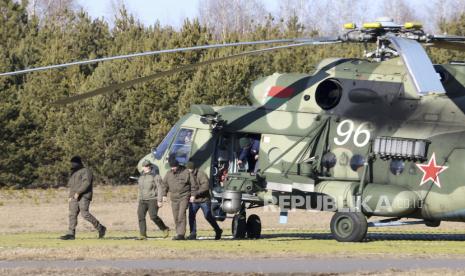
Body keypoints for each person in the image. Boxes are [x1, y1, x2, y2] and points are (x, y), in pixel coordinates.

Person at [60, 156, 106, 240]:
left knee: (84, 214)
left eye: (74, 162)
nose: (72, 164)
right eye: (71, 162)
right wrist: (70, 196)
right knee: (72, 214)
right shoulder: (73, 172)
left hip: (84, 196)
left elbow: (86, 183)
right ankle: (71, 234)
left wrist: (78, 192)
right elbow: (72, 186)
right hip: (74, 197)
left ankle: (100, 228)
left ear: (78, 163)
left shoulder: (86, 171)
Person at [162, 155, 197, 240]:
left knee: (181, 214)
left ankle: (181, 234)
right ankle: (178, 233)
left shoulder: (186, 172)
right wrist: (164, 195)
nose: (173, 168)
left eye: (174, 167)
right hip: (174, 198)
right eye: (171, 167)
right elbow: (164, 185)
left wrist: (193, 195)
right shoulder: (168, 174)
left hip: (184, 196)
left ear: (178, 166)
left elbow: (193, 185)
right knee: (176, 216)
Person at [186, 161, 222, 240]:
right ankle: (193, 233)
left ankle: (218, 230)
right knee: (191, 216)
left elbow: (205, 187)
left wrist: (194, 194)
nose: (188, 170)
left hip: (204, 200)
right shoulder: (187, 175)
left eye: (189, 169)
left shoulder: (201, 174)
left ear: (192, 168)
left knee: (208, 216)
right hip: (194, 201)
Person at [136, 160, 170, 240]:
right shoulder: (141, 176)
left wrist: (159, 200)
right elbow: (140, 188)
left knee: (153, 216)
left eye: (147, 166)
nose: (145, 167)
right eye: (144, 166)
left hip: (152, 199)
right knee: (140, 216)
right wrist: (139, 198)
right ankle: (143, 234)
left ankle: (164, 228)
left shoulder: (155, 176)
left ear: (149, 166)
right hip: (142, 199)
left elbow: (160, 188)